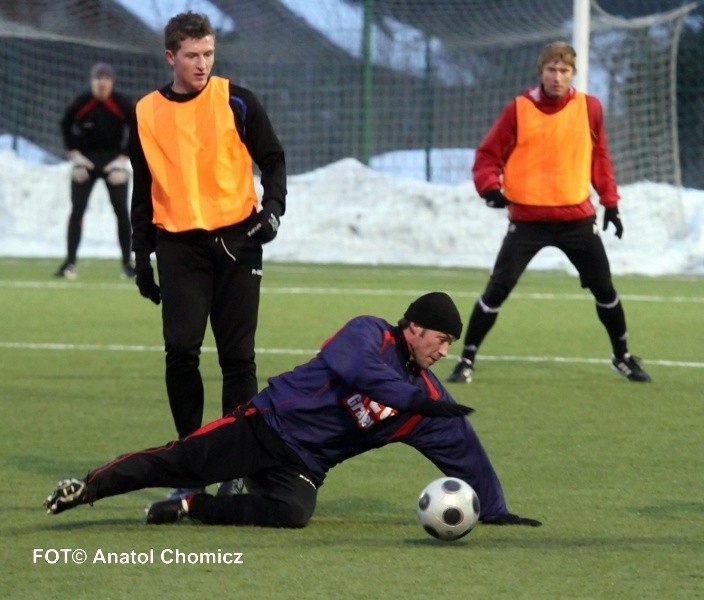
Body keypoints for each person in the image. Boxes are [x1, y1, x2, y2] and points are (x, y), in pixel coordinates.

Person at [44, 292, 541, 529]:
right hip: (266, 425)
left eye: (451, 344)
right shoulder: (370, 333)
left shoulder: (424, 398)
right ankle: (88, 487)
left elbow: (461, 450)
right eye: (441, 339)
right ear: (413, 328)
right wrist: (414, 397)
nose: (444, 350)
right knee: (182, 460)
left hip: (304, 466)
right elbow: (359, 369)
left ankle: (193, 507)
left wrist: (495, 510)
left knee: (293, 514)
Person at [128, 12, 287, 498]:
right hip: (178, 246)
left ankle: (236, 466)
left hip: (238, 242)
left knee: (238, 359)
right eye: (193, 56)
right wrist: (142, 254)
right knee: (181, 352)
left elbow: (274, 158)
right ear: (170, 57)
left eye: (209, 54)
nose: (202, 64)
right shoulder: (146, 113)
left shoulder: (237, 100)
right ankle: (190, 462)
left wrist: (274, 211)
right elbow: (143, 187)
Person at [447, 41, 651, 385]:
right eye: (552, 70)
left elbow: (599, 157)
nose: (558, 77)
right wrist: (490, 188)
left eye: (565, 71)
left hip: (576, 219)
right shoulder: (518, 110)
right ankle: (466, 359)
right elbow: (486, 156)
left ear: (573, 74)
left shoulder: (591, 109)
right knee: (497, 289)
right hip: (528, 221)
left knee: (604, 287)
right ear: (541, 72)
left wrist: (610, 202)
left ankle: (623, 357)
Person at [55, 62, 134, 280]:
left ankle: (127, 264)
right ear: (92, 81)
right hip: (86, 162)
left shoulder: (121, 103)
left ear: (112, 82)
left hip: (113, 163)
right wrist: (75, 155)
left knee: (121, 211)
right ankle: (69, 263)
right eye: (98, 79)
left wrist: (124, 158)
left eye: (106, 79)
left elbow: (137, 128)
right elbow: (64, 125)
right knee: (77, 210)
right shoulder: (82, 103)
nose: (102, 83)